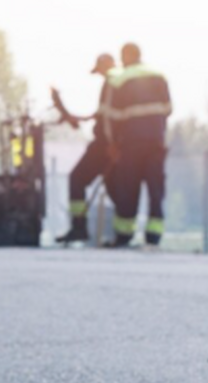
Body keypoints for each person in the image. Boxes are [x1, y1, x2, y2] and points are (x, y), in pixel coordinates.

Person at [104, 43, 172, 247]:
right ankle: (154, 236)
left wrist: (113, 144)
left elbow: (111, 117)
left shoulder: (119, 79)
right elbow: (168, 109)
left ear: (125, 56)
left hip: (131, 144)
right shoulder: (159, 75)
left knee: (127, 189)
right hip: (156, 142)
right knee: (155, 189)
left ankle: (124, 235)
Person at [52, 53, 119, 245]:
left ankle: (79, 227)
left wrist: (111, 143)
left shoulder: (112, 84)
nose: (100, 74)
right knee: (115, 188)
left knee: (77, 179)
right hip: (111, 144)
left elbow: (109, 119)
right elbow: (102, 115)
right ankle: (122, 233)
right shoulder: (115, 85)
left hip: (105, 145)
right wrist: (79, 118)